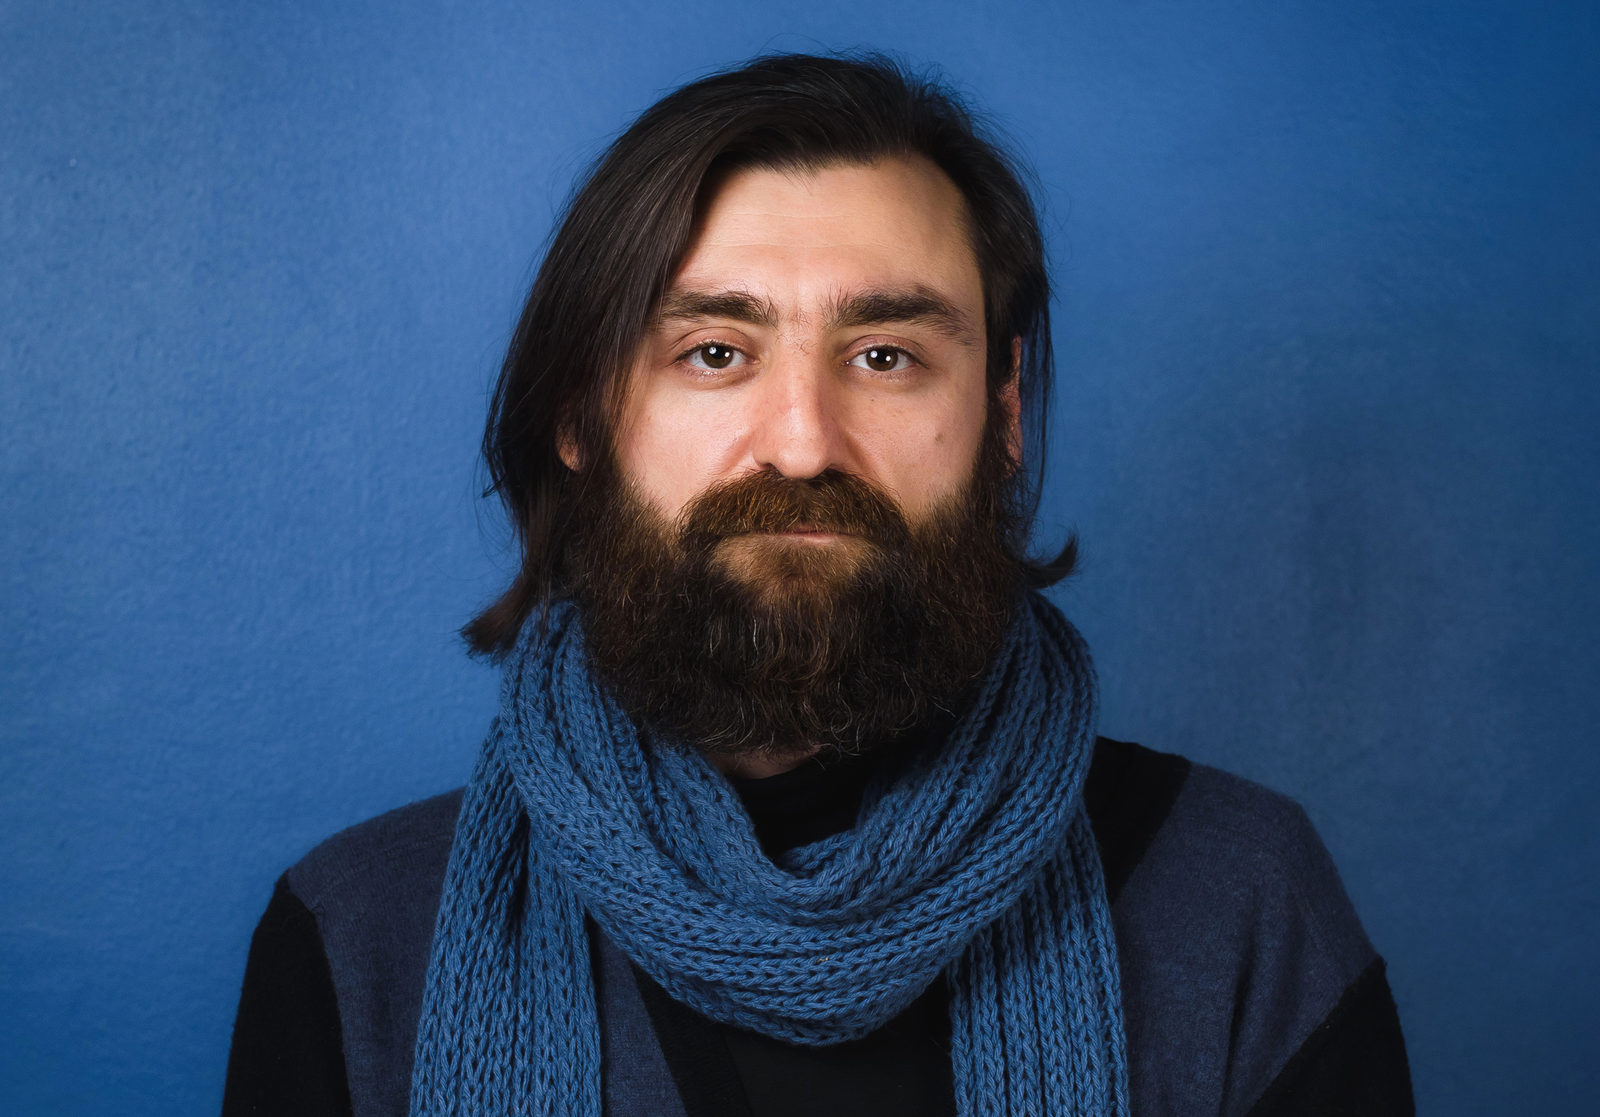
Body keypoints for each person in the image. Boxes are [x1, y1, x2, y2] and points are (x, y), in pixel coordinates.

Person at [222, 53, 1413, 1117]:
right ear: (578, 413)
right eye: (714, 353)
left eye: (885, 356)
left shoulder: (1241, 898)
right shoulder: (364, 938)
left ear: (1001, 415)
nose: (801, 443)